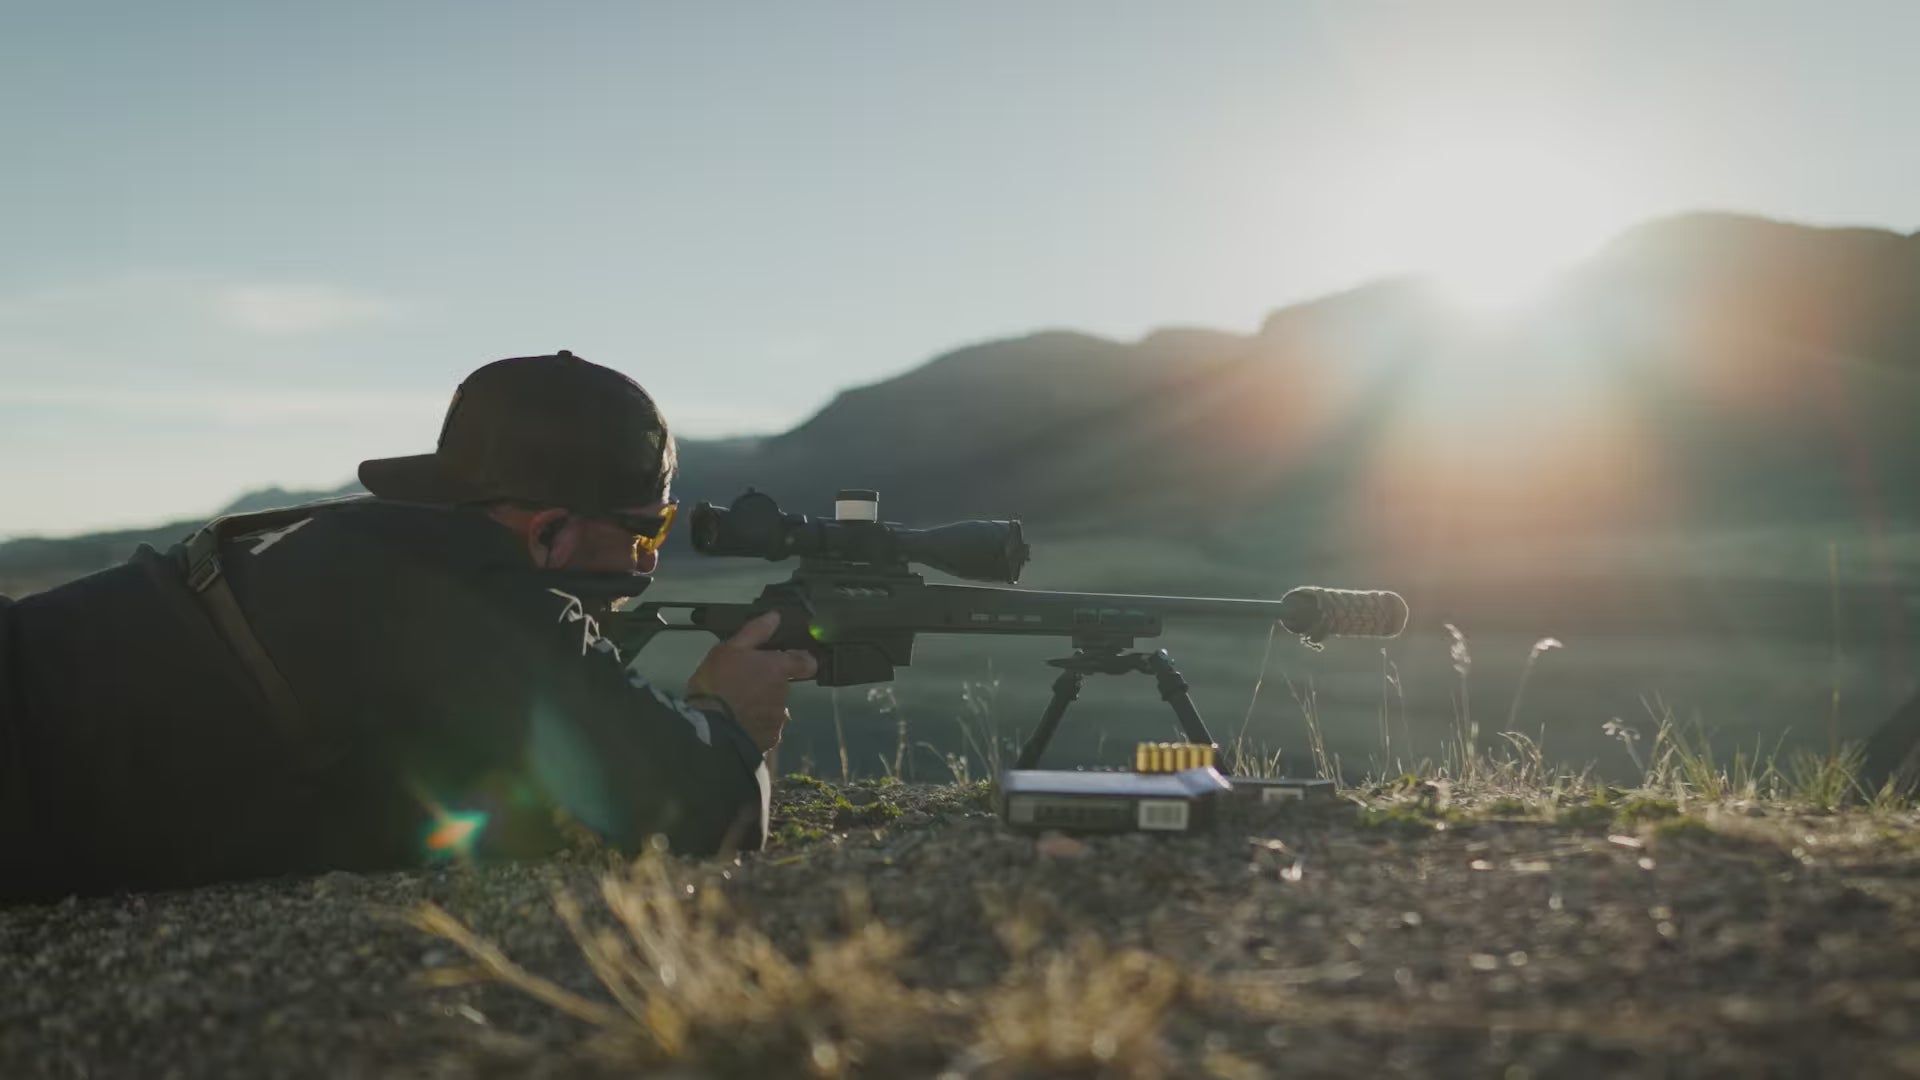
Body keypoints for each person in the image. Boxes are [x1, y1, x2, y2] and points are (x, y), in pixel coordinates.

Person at [0, 350, 815, 902]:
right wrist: (730, 716)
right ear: (551, 533)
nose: (645, 564)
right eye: (644, 533)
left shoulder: (381, 549)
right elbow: (708, 818)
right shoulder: (470, 593)